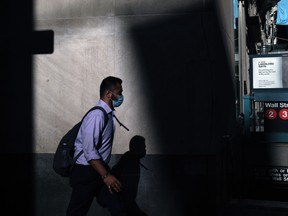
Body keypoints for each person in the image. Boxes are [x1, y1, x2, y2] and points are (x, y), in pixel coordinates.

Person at [66, 76, 128, 216]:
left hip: (98, 170)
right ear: (108, 94)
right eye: (119, 92)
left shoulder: (108, 114)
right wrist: (106, 175)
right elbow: (89, 150)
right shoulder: (97, 116)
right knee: (76, 212)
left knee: (118, 208)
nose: (122, 96)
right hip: (86, 172)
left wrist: (104, 173)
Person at [110, 135, 148, 216]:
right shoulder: (131, 162)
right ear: (136, 147)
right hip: (122, 205)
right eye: (143, 147)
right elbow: (126, 193)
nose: (145, 150)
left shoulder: (130, 158)